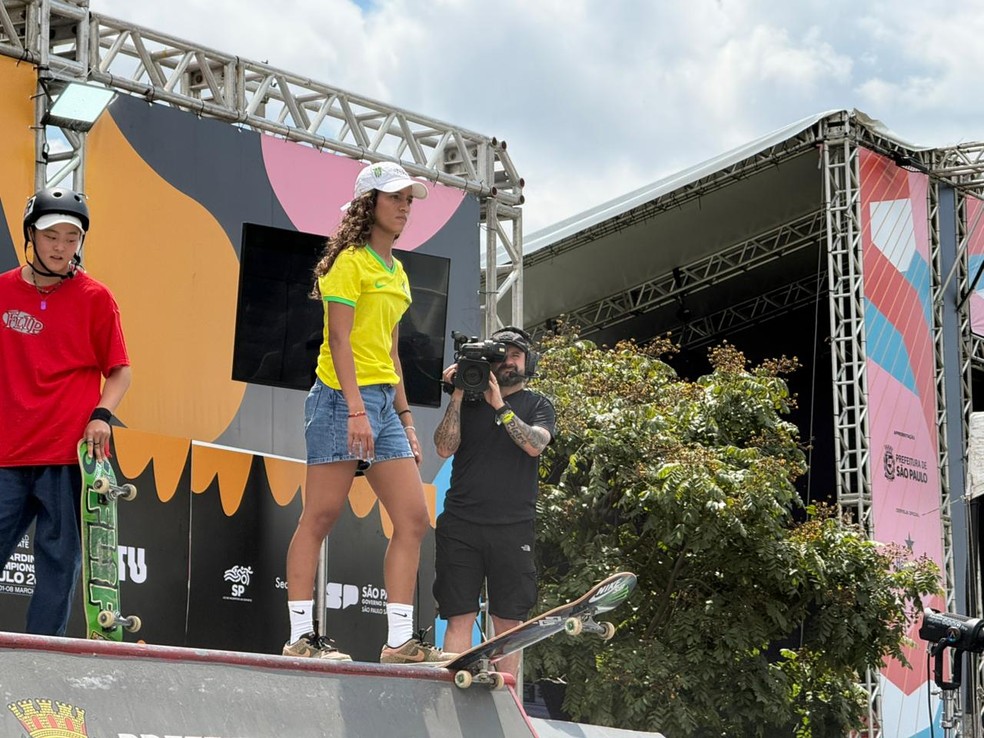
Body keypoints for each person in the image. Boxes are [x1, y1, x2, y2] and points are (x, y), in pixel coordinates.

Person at [284, 161, 454, 664]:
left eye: (409, 200)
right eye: (395, 197)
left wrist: (404, 419)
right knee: (320, 516)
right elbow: (338, 339)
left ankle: (399, 642)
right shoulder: (348, 263)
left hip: (381, 403)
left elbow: (391, 351)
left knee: (414, 518)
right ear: (368, 203)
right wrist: (357, 410)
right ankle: (300, 639)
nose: (405, 207)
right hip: (340, 397)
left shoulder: (397, 271)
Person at [0, 187, 131, 636]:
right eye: (50, 235)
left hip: (66, 457)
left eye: (71, 237)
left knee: (59, 566)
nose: (60, 247)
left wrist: (101, 415)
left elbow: (120, 372)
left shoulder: (96, 297)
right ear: (30, 236)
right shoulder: (2, 291)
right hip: (7, 455)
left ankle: (41, 658)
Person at [433, 327, 556, 680]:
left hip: (512, 527)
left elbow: (534, 444)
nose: (508, 361)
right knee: (459, 616)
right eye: (502, 355)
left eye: (516, 355)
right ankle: (450, 699)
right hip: (460, 523)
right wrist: (457, 394)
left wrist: (498, 405)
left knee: (509, 620)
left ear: (527, 362)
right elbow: (443, 447)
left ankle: (505, 707)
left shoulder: (537, 404)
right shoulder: (466, 400)